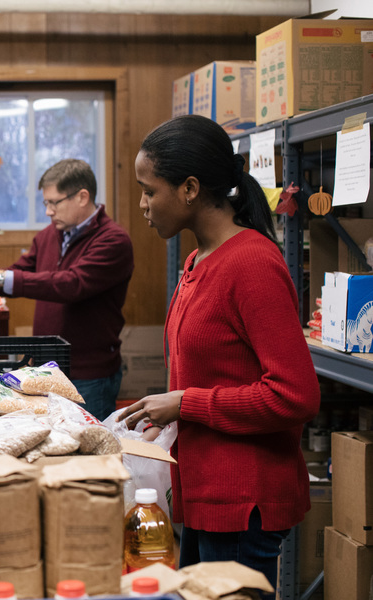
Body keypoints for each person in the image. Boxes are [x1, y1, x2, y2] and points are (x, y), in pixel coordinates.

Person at [119, 114, 320, 597]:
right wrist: (166, 411)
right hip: (204, 494)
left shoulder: (251, 263)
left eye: (150, 190)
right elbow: (215, 371)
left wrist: (186, 403)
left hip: (243, 501)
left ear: (189, 188)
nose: (143, 205)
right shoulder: (197, 261)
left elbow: (296, 395)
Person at [0, 159, 133, 420]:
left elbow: (70, 284)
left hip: (89, 374)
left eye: (54, 203)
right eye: (45, 203)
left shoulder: (113, 240)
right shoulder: (49, 235)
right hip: (46, 369)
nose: (48, 211)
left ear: (83, 197)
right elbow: (17, 275)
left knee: (89, 451)